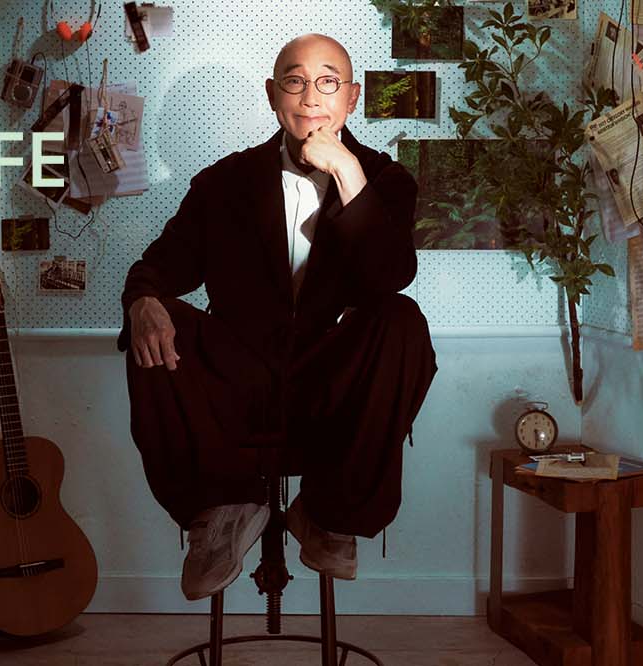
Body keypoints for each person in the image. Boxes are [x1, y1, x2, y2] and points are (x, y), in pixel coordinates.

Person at [120, 34, 438, 600]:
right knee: (153, 315)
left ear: (352, 98)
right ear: (273, 95)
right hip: (235, 383)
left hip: (331, 389)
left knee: (401, 318)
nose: (311, 96)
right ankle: (220, 513)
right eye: (295, 81)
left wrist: (348, 173)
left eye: (328, 82)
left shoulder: (388, 181)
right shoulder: (223, 183)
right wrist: (143, 301)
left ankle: (330, 516)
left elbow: (389, 276)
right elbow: (157, 269)